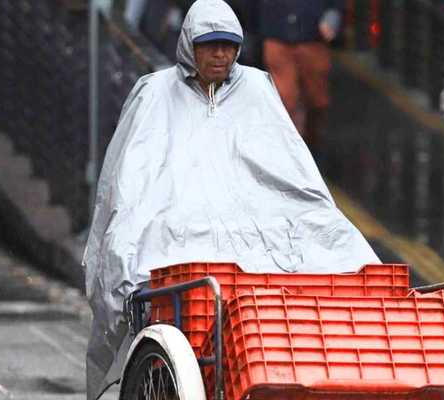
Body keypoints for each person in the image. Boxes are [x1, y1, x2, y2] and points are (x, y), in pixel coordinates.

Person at [82, 1, 380, 398]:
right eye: (210, 45)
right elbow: (133, 183)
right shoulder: (155, 94)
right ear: (190, 45)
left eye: (229, 45)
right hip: (180, 230)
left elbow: (293, 173)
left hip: (260, 227)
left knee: (346, 255)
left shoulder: (257, 88)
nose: (220, 54)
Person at [253, 0, 341, 148]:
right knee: (285, 99)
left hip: (313, 38)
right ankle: (292, 150)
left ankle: (312, 142)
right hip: (277, 36)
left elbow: (336, 6)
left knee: (317, 100)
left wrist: (332, 19)